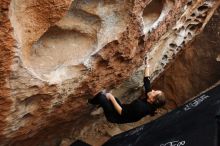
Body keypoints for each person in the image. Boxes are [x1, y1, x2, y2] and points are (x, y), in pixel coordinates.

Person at [88, 58, 166, 124]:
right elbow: (147, 81)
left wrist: (111, 97)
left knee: (102, 96)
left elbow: (121, 112)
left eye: (154, 92)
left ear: (152, 99)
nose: (152, 90)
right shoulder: (152, 102)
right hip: (125, 110)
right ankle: (102, 104)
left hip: (116, 117)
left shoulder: (140, 106)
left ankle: (90, 102)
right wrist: (147, 65)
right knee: (113, 99)